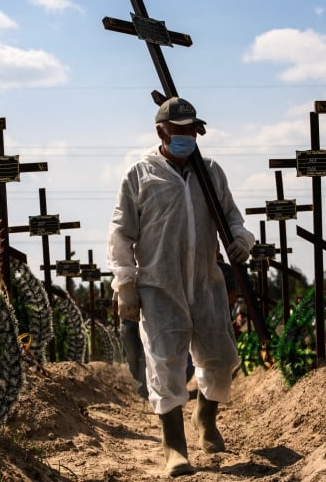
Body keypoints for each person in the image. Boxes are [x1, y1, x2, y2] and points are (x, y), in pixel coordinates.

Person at [107, 96, 255, 476]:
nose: (188, 137)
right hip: (159, 287)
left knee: (221, 358)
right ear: (162, 132)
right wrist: (125, 283)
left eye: (193, 130)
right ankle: (174, 446)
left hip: (206, 282)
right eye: (180, 131)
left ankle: (206, 419)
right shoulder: (140, 175)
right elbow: (121, 232)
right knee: (166, 363)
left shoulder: (211, 172)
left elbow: (232, 218)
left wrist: (241, 239)